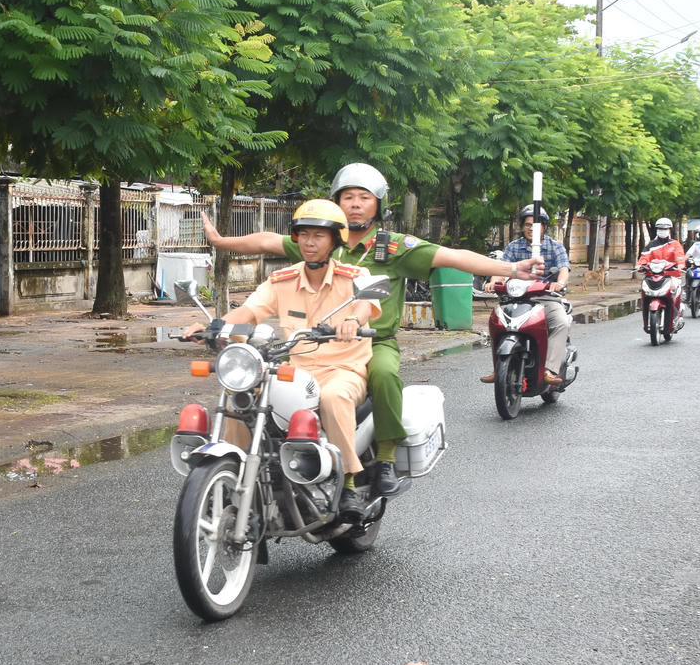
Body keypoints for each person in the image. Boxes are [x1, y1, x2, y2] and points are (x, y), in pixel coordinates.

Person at [199, 162, 544, 497]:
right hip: (312, 344)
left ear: (378, 204)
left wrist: (513, 269)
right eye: (347, 197)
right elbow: (266, 242)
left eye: (364, 197)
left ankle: (386, 459)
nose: (355, 204)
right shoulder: (320, 239)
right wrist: (220, 241)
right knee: (260, 383)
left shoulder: (393, 247)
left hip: (373, 340)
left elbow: (452, 257)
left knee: (384, 375)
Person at [183, 199, 380, 523]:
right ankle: (235, 473)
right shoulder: (282, 280)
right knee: (241, 398)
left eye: (318, 235)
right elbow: (249, 312)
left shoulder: (355, 276)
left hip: (343, 369)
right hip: (298, 370)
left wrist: (352, 321)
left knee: (333, 397)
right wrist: (213, 326)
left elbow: (365, 303)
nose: (309, 242)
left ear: (335, 240)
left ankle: (347, 483)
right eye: (304, 235)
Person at [480, 204, 571, 386]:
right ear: (522, 227)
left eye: (536, 225)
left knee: (561, 322)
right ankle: (498, 367)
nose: (531, 229)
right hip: (516, 298)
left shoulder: (555, 246)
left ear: (544, 227)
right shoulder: (513, 247)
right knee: (496, 321)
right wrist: (493, 282)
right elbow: (501, 269)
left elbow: (564, 269)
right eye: (528, 224)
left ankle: (550, 369)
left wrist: (559, 283)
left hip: (546, 297)